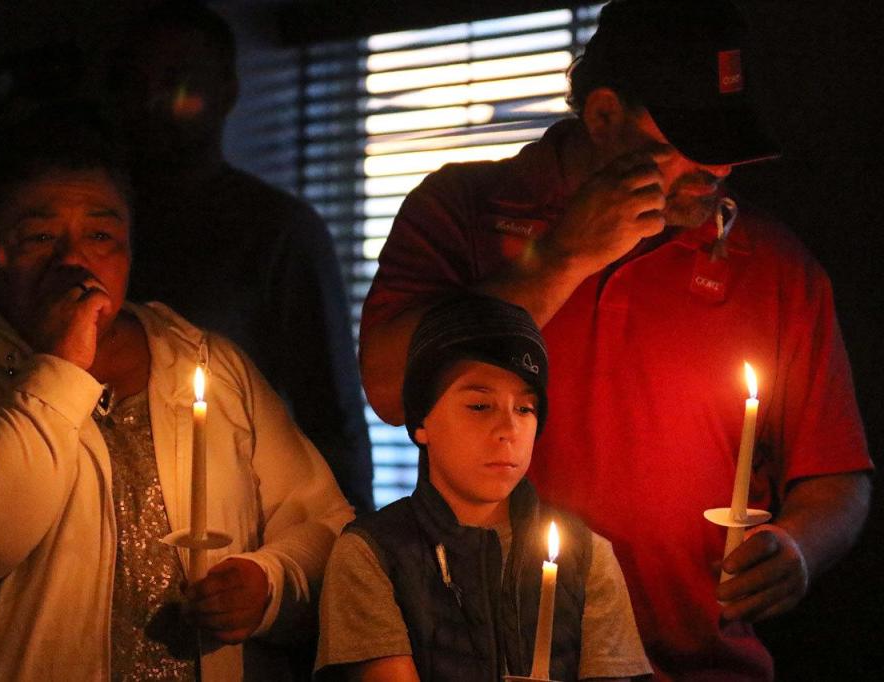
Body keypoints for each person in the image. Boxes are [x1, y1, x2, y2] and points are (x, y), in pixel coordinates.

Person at [358, 1, 872, 679]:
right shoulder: (463, 210)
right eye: (689, 143)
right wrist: (561, 257)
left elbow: (836, 473)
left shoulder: (771, 263)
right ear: (603, 116)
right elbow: (393, 390)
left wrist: (797, 546)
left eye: (730, 146)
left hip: (700, 664)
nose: (717, 173)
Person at [0, 114, 354, 680]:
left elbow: (326, 527)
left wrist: (268, 584)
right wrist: (61, 365)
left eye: (100, 235)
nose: (74, 260)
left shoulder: (204, 363)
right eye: (41, 236)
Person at [107, 0, 375, 513]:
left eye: (178, 80)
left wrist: (349, 563)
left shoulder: (277, 231)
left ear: (227, 90)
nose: (152, 100)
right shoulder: (90, 228)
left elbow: (330, 416)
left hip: (240, 537)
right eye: (134, 81)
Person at [316, 294, 651, 681]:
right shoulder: (373, 554)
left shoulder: (586, 555)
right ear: (422, 421)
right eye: (480, 406)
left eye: (525, 409)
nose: (509, 430)